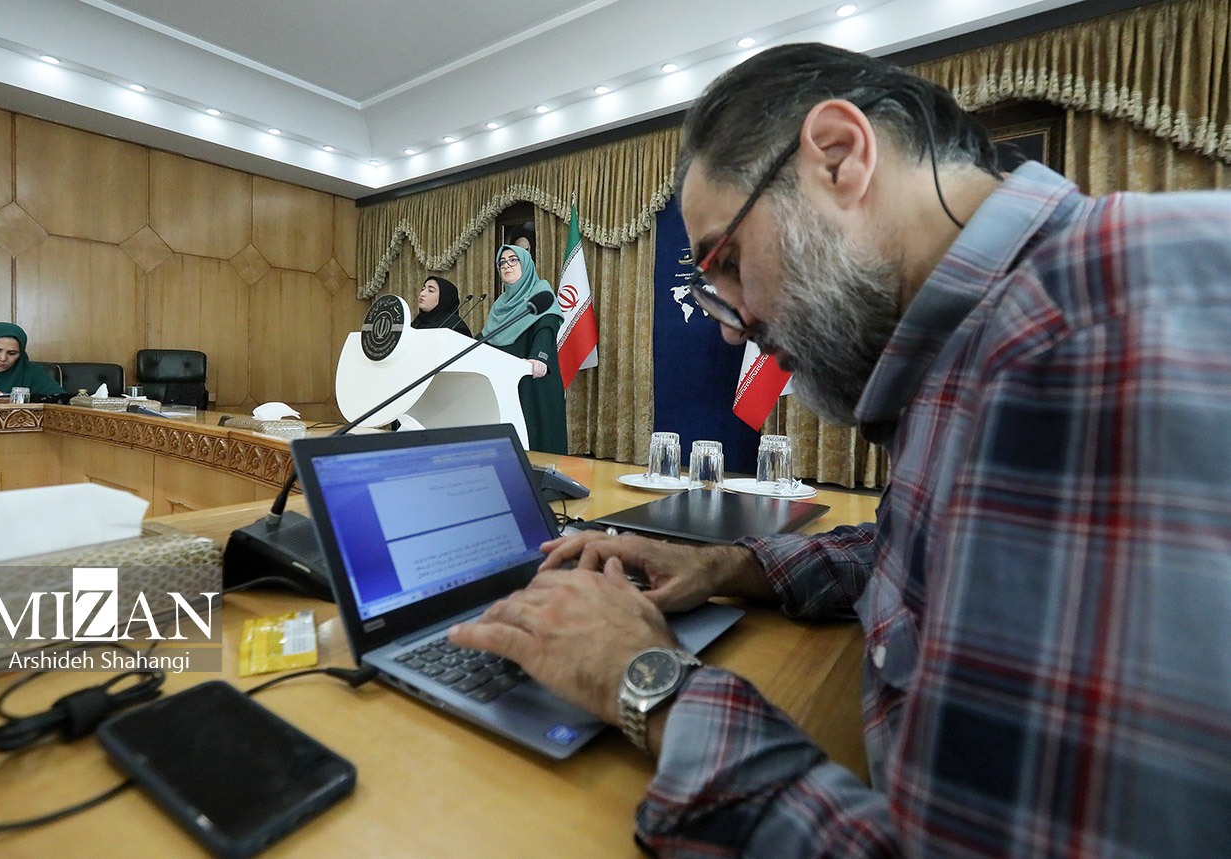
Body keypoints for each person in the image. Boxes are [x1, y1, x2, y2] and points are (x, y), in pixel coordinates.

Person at [450, 43, 1231, 856]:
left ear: (839, 157)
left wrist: (648, 679)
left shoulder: (1080, 345)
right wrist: (729, 566)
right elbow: (922, 548)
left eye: (728, 261)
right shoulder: (995, 331)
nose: (733, 325)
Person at [481, 245, 567, 454]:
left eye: (513, 260)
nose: (506, 265)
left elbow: (547, 326)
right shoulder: (500, 305)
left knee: (537, 435)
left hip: (534, 376)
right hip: (505, 380)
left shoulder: (540, 293)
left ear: (526, 265)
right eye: (502, 262)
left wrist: (539, 357)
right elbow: (488, 338)